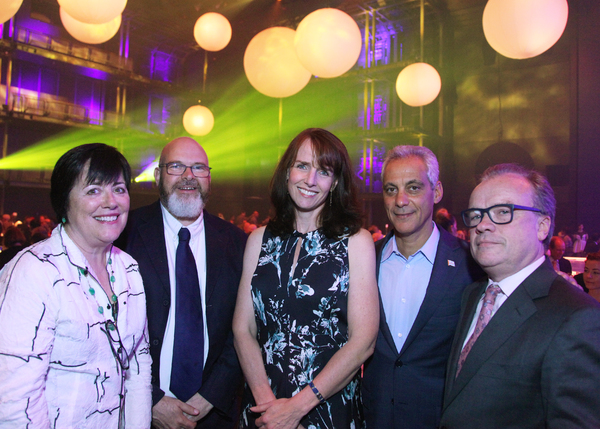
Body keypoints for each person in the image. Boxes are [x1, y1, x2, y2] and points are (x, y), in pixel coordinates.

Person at [233, 128, 379, 428]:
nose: (310, 180)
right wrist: (269, 407)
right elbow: (243, 328)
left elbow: (363, 341)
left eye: (323, 171)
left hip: (326, 408)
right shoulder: (259, 239)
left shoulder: (356, 241)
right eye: (302, 166)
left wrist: (297, 408)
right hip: (265, 409)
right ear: (287, 172)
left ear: (334, 182)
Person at [0, 143, 151, 427]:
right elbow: (14, 402)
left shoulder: (128, 268)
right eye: (93, 190)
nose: (111, 201)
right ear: (64, 202)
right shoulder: (35, 271)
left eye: (119, 189)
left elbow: (138, 369)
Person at [440, 163, 600, 429]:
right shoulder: (472, 295)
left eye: (503, 212)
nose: (483, 225)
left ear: (543, 226)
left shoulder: (577, 317)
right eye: (476, 215)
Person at [118, 136, 247, 429]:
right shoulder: (124, 235)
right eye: (176, 166)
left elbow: (243, 331)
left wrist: (210, 397)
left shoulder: (237, 243)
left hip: (215, 415)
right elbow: (108, 329)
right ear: (158, 176)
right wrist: (150, 400)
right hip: (138, 411)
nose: (189, 176)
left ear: (209, 178)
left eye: (199, 168)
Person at [362, 145, 483, 429]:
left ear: (437, 191)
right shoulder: (364, 259)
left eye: (413, 188)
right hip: (371, 418)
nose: (400, 200)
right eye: (391, 190)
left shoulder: (470, 265)